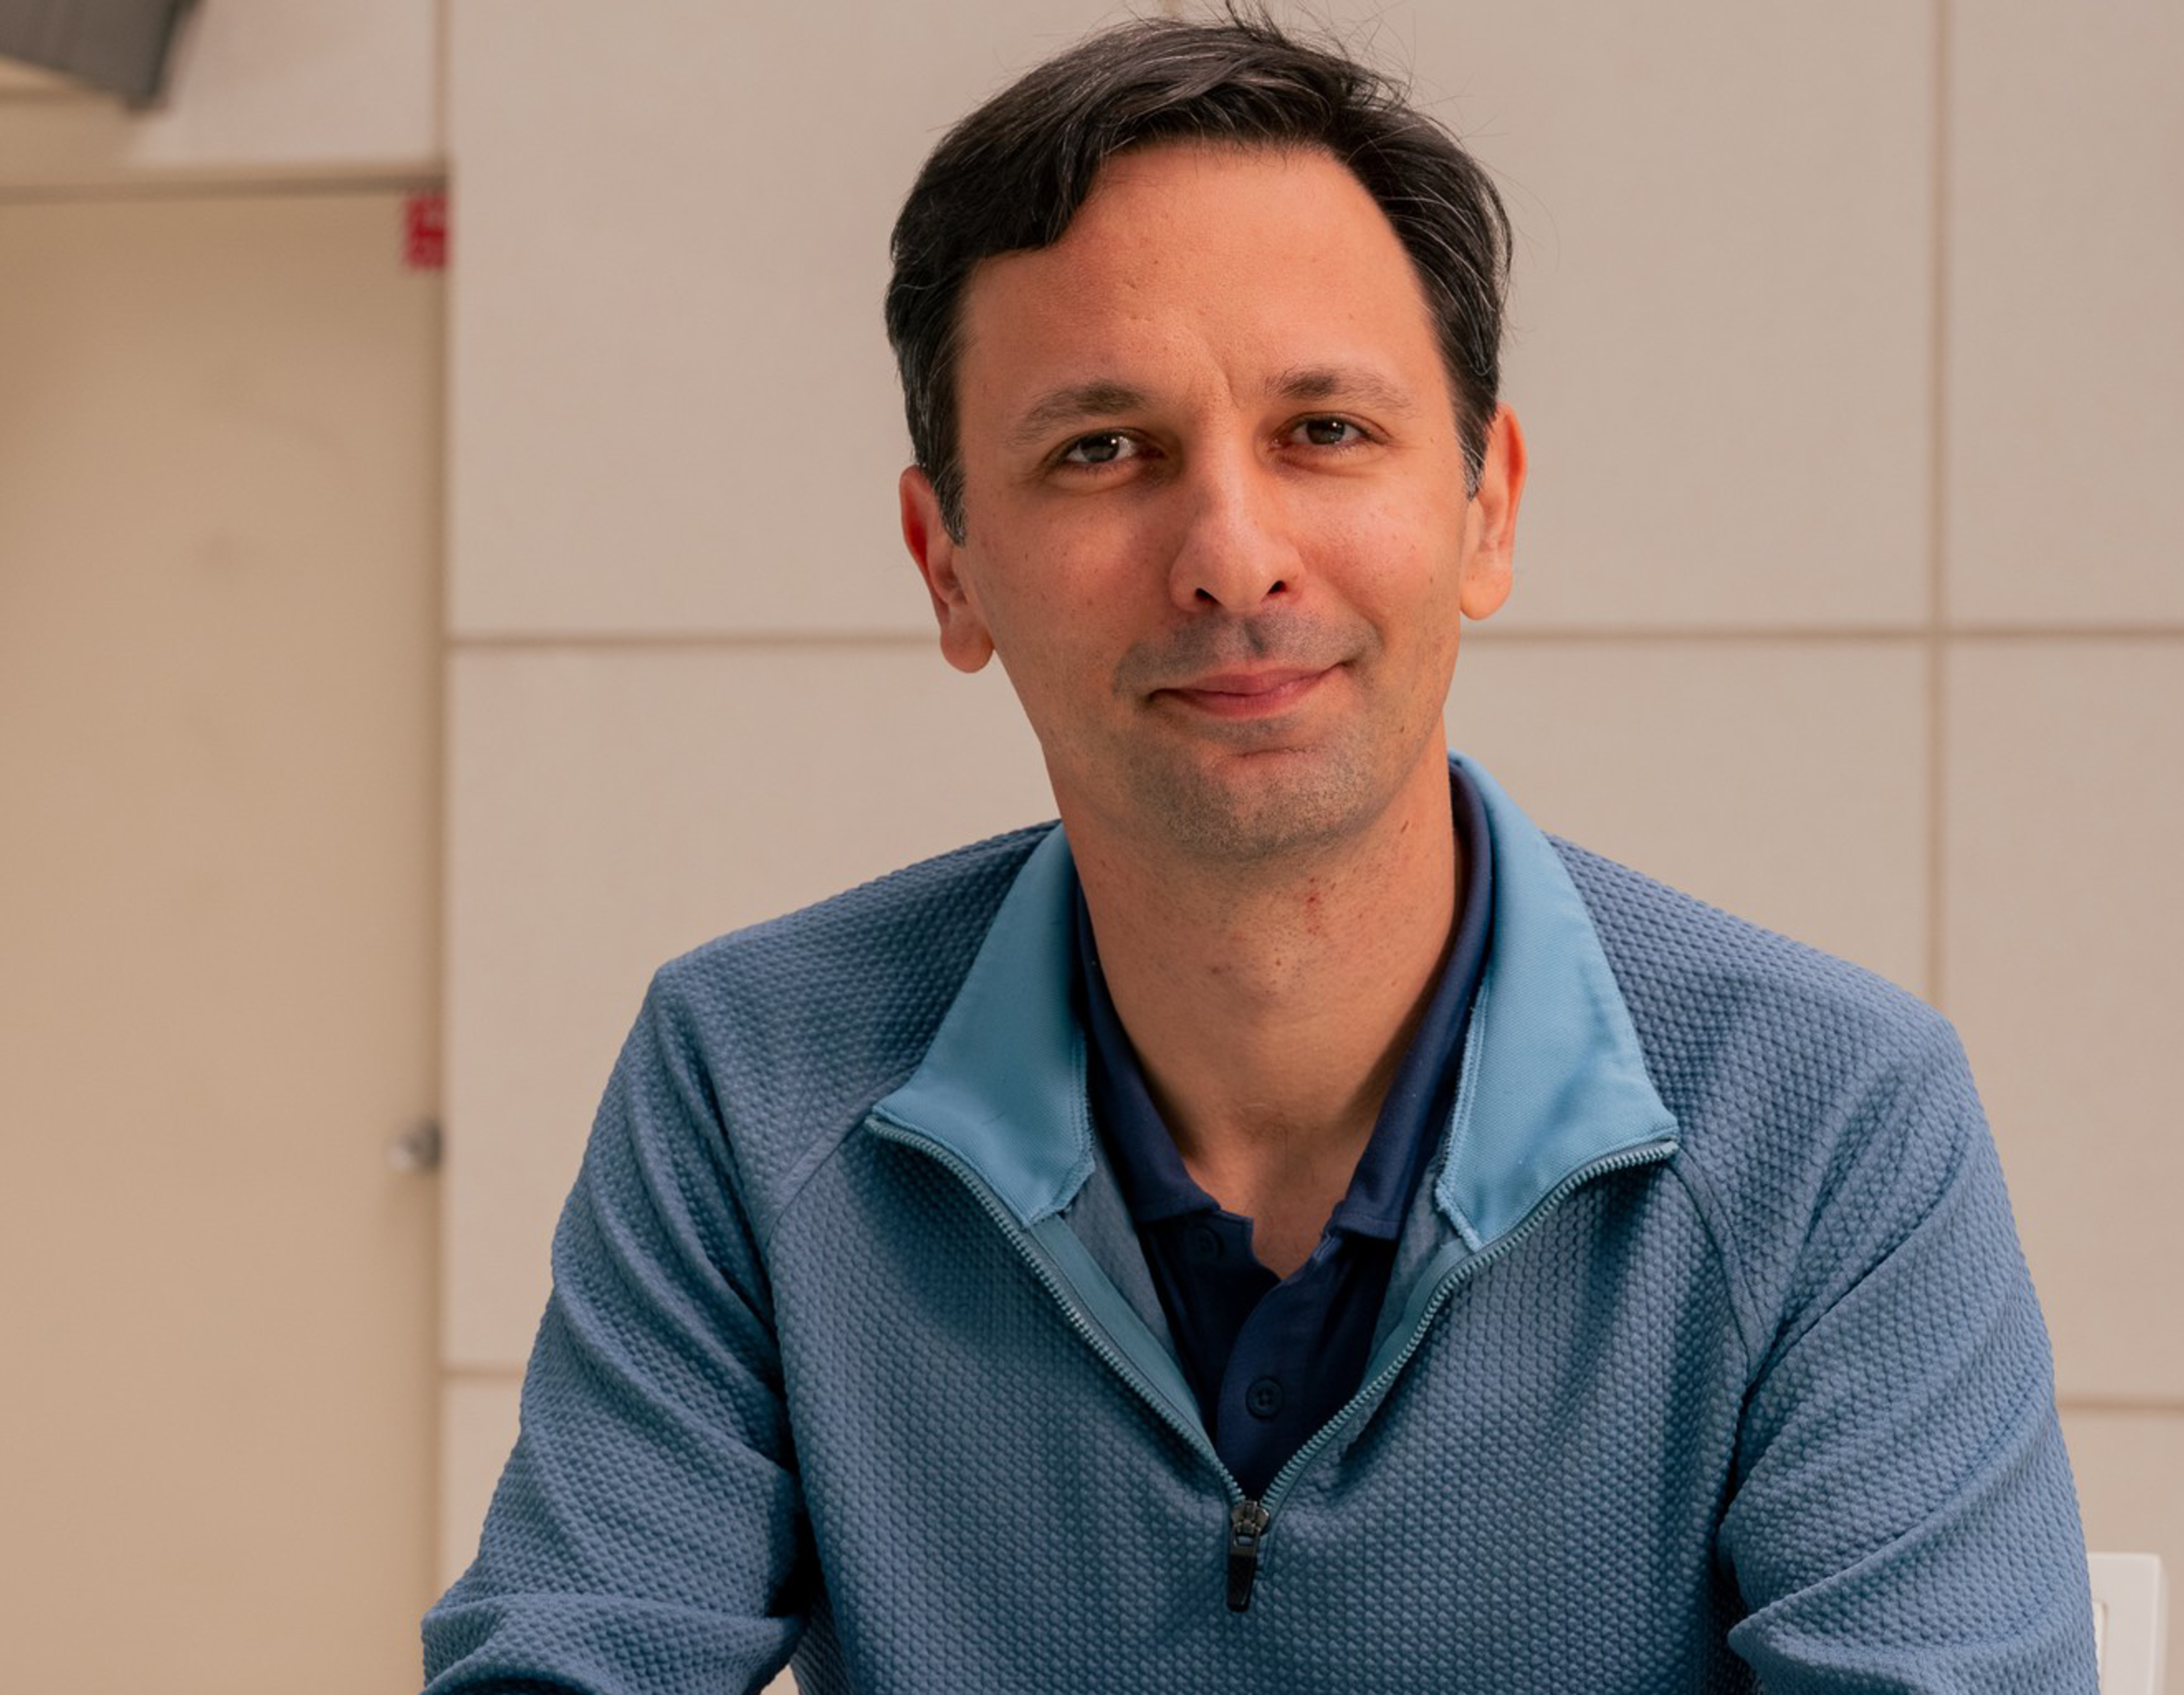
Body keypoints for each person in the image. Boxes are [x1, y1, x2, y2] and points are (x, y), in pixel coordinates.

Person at [423, 14, 2099, 1693]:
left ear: (1487, 508)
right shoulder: (750, 1080)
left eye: (1326, 431)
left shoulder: (1829, 1121)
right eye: (1101, 450)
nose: (1232, 555)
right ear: (949, 566)